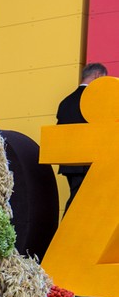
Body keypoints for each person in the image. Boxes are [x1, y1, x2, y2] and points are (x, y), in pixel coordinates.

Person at [56, 62, 108, 213]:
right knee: (80, 203)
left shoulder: (65, 102)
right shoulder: (93, 100)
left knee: (76, 198)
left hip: (68, 161)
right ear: (98, 76)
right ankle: (67, 233)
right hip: (88, 161)